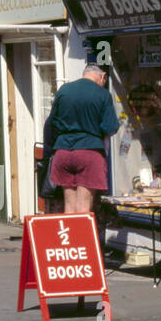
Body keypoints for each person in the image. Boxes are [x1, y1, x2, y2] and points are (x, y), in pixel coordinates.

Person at [48, 63, 120, 215]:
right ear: (103, 76)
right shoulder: (102, 94)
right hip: (89, 152)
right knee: (84, 207)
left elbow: (52, 122)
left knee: (69, 206)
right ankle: (82, 239)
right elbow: (111, 127)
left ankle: (71, 239)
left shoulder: (64, 90)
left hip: (63, 152)